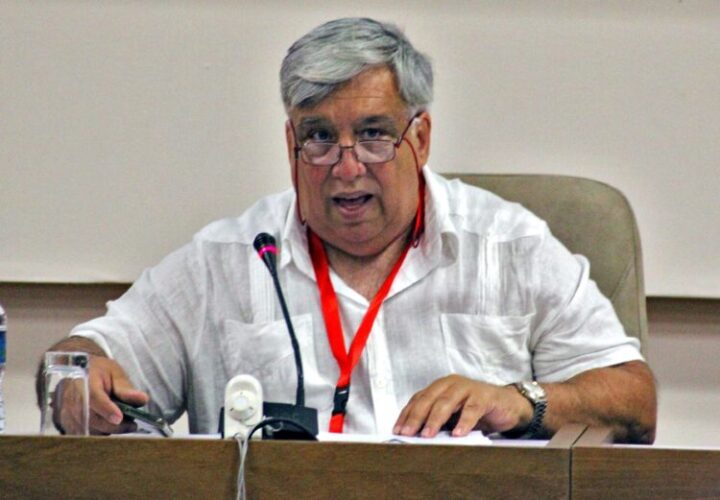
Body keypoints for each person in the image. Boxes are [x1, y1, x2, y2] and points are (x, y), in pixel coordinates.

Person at [39, 17, 656, 443]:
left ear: (420, 138)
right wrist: (76, 382)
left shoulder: (509, 247)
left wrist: (523, 401)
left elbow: (634, 399)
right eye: (319, 137)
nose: (347, 166)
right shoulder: (227, 261)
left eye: (373, 134)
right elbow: (77, 357)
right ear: (291, 143)